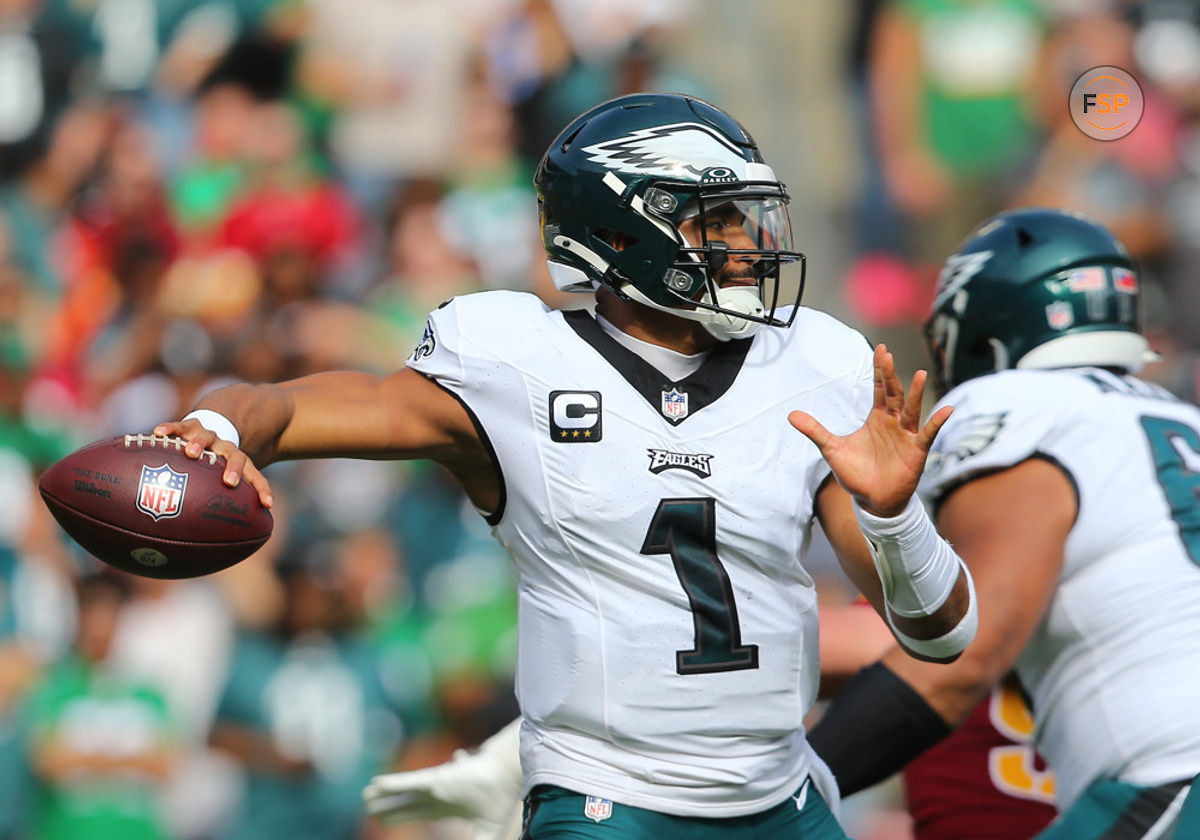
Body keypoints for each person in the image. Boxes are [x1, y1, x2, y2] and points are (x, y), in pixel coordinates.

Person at [153, 92, 977, 839]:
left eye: (746, 217)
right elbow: (304, 405)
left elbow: (943, 637)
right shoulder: (516, 361)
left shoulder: (815, 361)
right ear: (619, 236)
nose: (744, 244)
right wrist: (224, 422)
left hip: (781, 800)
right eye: (715, 220)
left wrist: (895, 517)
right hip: (606, 803)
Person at [807, 207, 1200, 838]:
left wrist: (794, 789)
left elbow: (963, 654)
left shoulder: (1014, 406)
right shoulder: (1175, 417)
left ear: (982, 328)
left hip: (1173, 773)